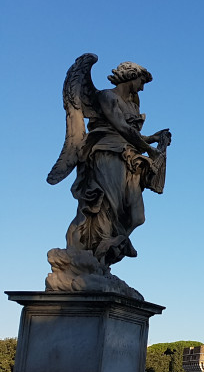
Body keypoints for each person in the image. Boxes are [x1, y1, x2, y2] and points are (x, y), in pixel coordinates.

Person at [49, 56, 172, 268]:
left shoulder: (132, 106)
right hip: (106, 155)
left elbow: (131, 133)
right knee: (106, 207)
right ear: (131, 76)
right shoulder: (107, 96)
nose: (142, 88)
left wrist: (154, 138)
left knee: (137, 216)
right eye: (141, 82)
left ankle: (108, 248)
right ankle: (95, 252)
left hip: (128, 158)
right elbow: (122, 128)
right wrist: (150, 149)